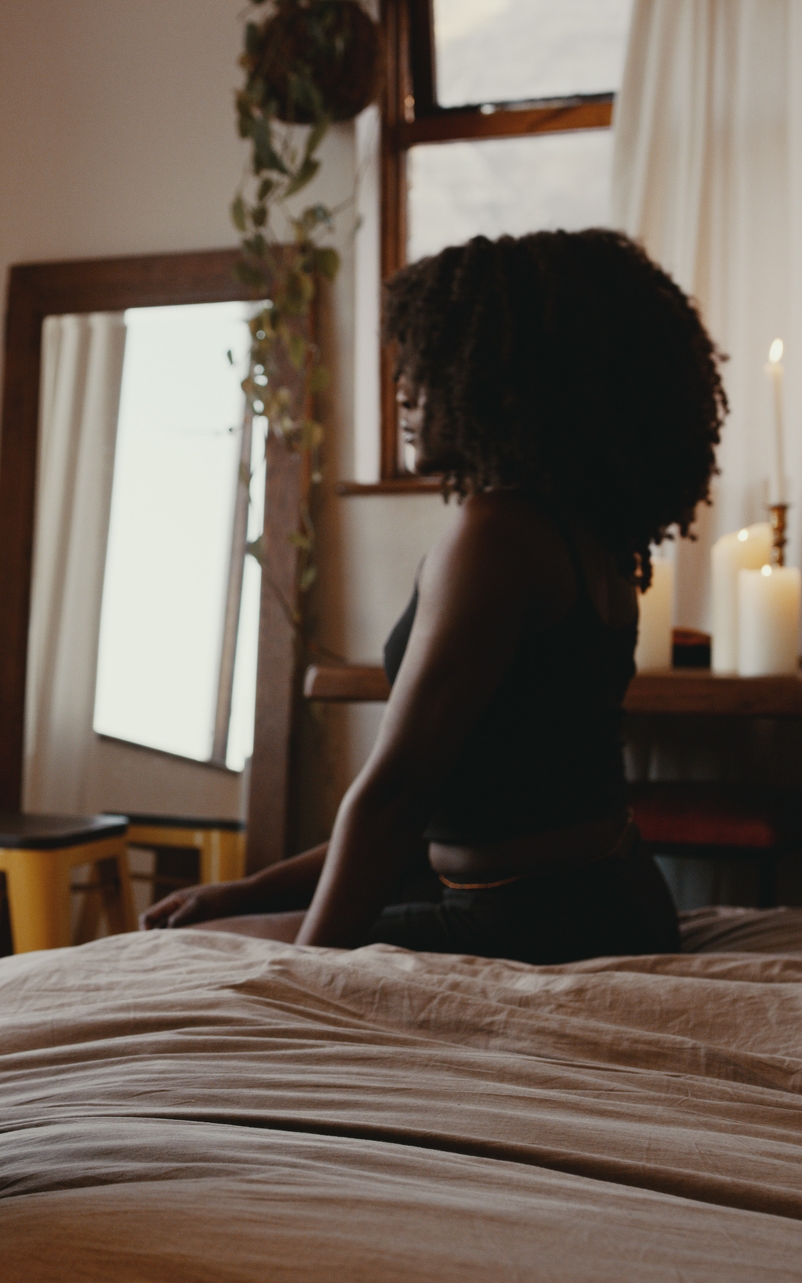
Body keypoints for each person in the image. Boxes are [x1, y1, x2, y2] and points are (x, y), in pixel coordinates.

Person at [144, 228, 720, 965]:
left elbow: (395, 796)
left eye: (430, 361)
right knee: (213, 926)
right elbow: (453, 810)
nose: (403, 387)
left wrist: (306, 977)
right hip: (613, 905)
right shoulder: (588, 534)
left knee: (183, 953)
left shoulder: (495, 535)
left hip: (526, 927)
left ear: (507, 375)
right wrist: (248, 890)